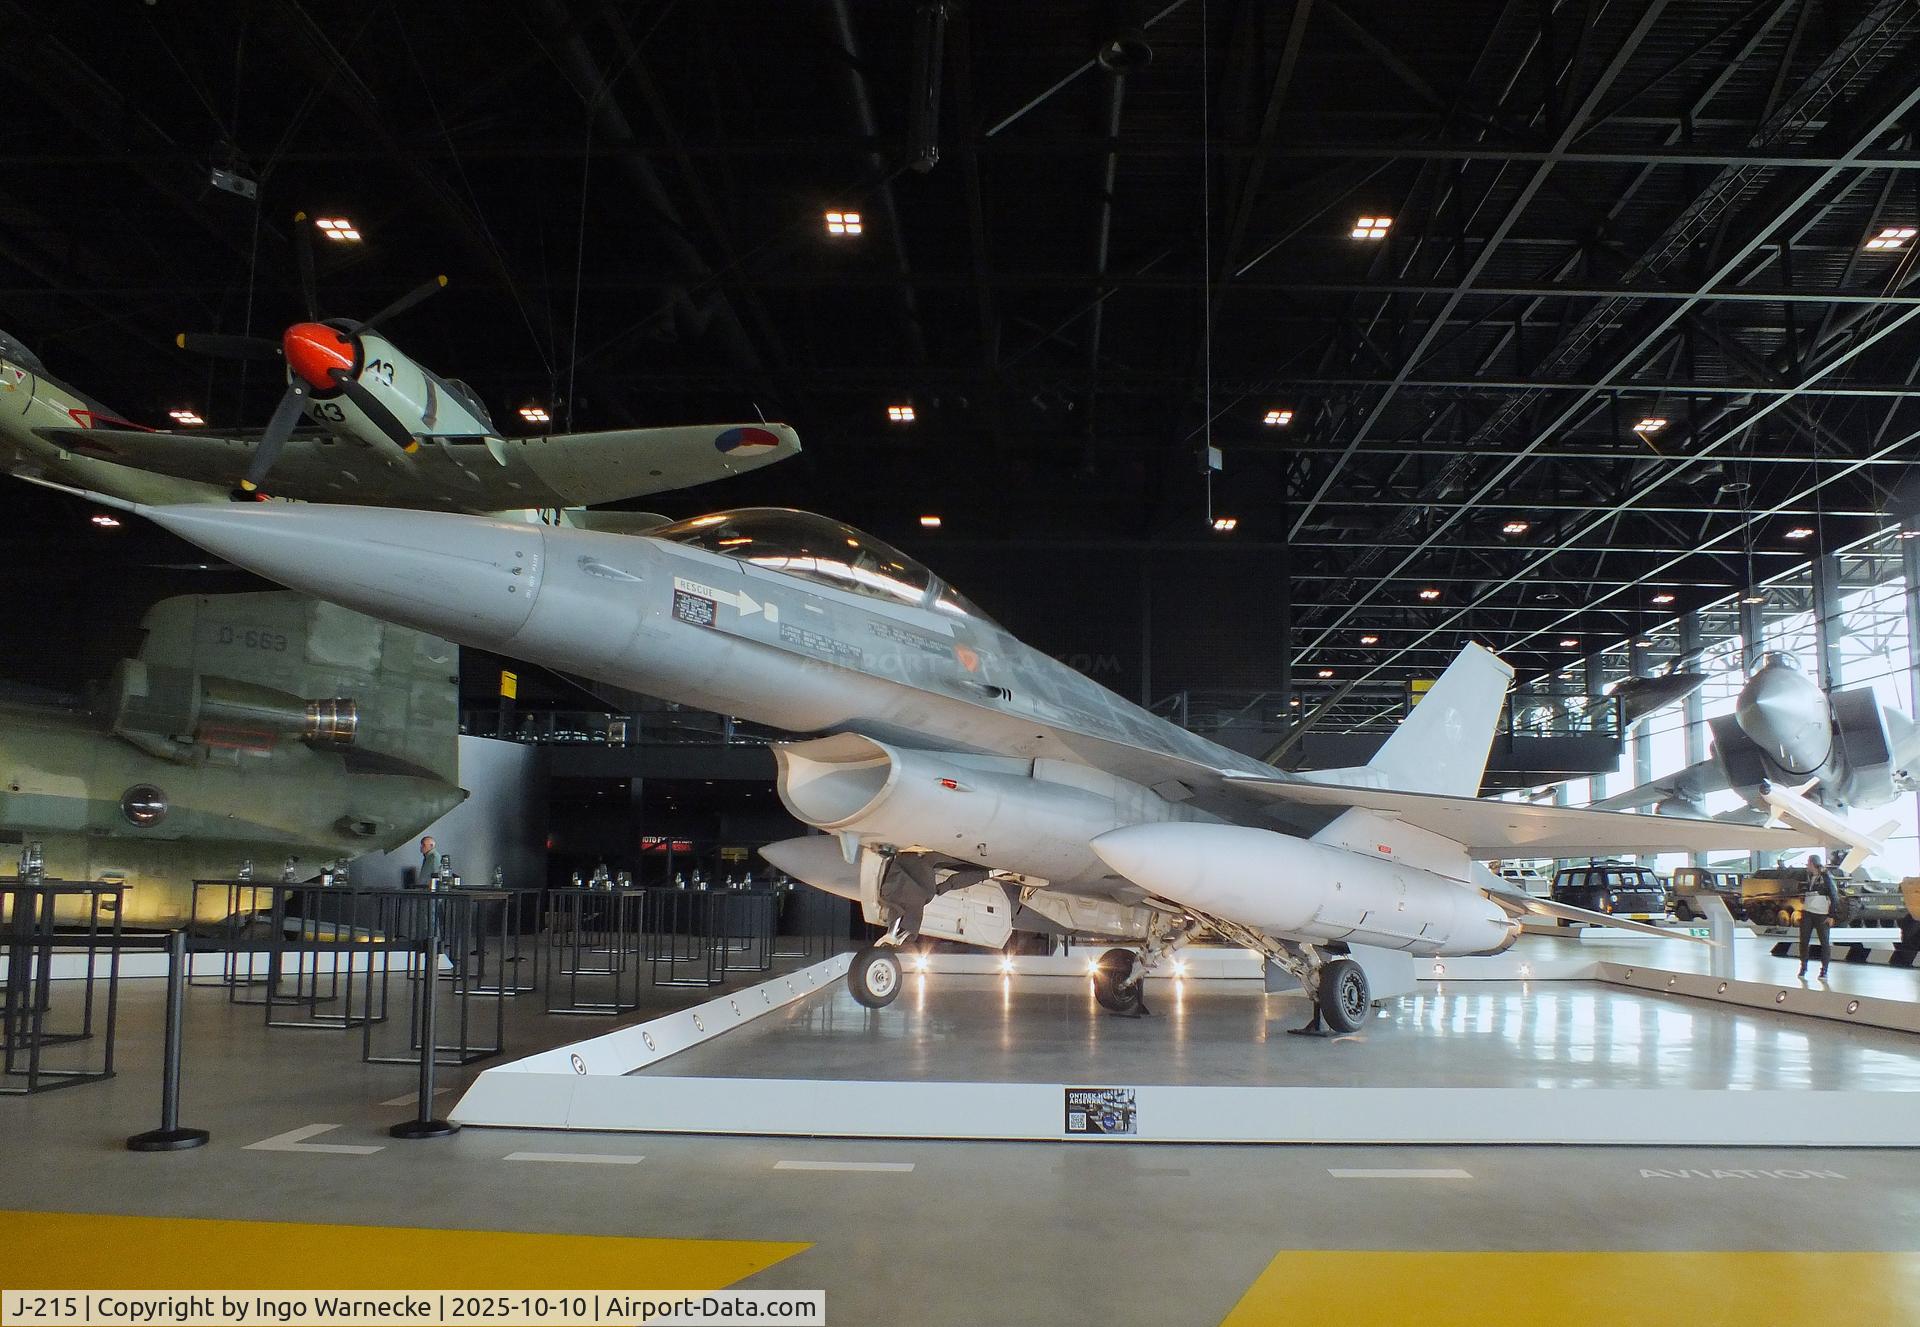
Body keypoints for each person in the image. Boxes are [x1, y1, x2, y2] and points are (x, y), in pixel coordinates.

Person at [1798, 854, 1837, 978]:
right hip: (1808, 911)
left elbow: (1833, 895)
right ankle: (1803, 965)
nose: (1807, 866)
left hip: (1821, 914)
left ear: (1812, 864)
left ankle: (1824, 969)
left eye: (1808, 863)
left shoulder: (1826, 877)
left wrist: (1831, 915)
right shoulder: (1809, 877)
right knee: (1804, 940)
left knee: (1824, 942)